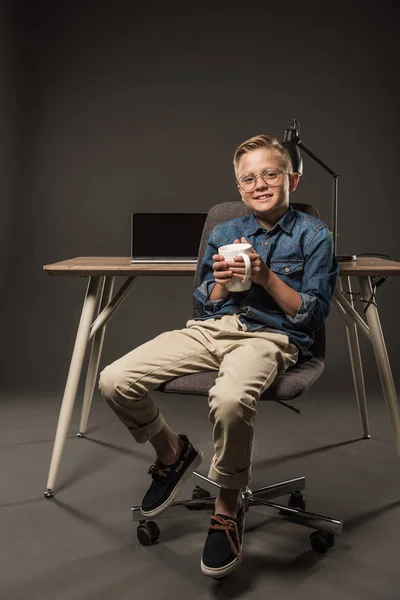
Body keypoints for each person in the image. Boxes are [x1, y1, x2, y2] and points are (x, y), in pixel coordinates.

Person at [99, 134, 339, 579]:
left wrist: (265, 277)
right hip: (213, 330)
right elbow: (207, 304)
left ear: (293, 179)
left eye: (271, 174)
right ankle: (173, 453)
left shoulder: (314, 235)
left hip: (271, 338)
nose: (260, 184)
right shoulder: (226, 232)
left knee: (229, 399)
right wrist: (221, 283)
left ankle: (228, 505)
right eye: (249, 179)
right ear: (239, 186)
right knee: (114, 379)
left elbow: (311, 314)